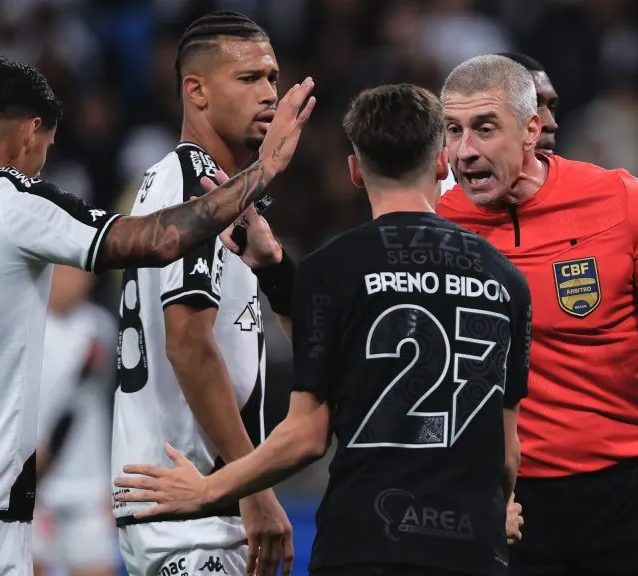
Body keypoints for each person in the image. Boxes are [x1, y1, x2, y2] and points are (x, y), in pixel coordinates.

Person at [0, 55, 315, 576]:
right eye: (45, 148)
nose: (41, 164)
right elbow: (158, 240)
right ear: (30, 132)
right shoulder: (14, 201)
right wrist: (262, 172)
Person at [115, 83, 534, 576]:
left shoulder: (333, 268)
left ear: (355, 171)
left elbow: (307, 437)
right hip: (472, 550)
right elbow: (507, 453)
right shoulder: (507, 279)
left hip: (366, 544)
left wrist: (208, 489)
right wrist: (499, 506)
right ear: (442, 163)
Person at [436, 54, 638, 575]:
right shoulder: (435, 228)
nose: (465, 152)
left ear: (532, 129)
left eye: (485, 129)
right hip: (510, 505)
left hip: (633, 496)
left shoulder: (619, 200)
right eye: (452, 131)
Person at [112, 11, 295, 576]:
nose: (270, 93)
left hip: (194, 504)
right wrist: (253, 487)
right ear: (196, 90)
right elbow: (188, 343)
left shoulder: (218, 191)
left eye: (272, 76)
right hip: (194, 503)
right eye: (249, 79)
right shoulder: (193, 180)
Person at [33, 265, 119, 576]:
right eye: (67, 271)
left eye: (84, 273)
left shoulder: (99, 329)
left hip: (87, 486)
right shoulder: (24, 323)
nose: (79, 280)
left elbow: (87, 402)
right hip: (30, 485)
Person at [442, 52, 558, 194]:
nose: (551, 124)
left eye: (551, 107)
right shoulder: (433, 202)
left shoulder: (583, 194)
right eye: (533, 104)